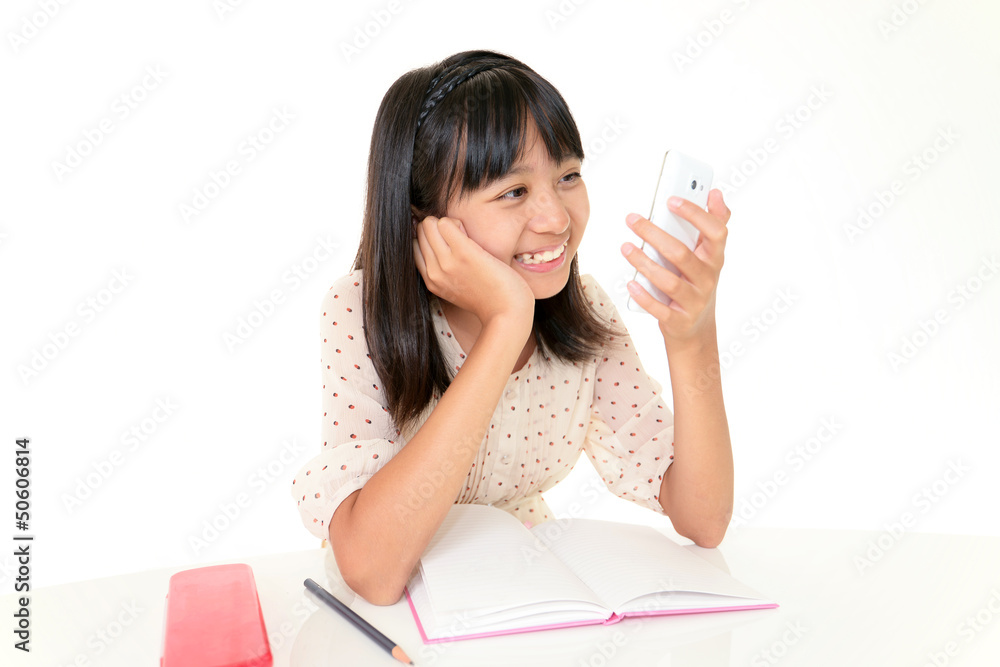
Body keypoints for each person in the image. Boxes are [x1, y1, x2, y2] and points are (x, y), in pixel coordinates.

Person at [291, 49, 733, 606]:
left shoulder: (585, 312)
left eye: (568, 176)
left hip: (525, 603)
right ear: (423, 221)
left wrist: (692, 337)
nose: (557, 219)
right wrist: (506, 323)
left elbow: (703, 519)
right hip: (400, 621)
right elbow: (372, 571)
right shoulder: (360, 310)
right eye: (513, 192)